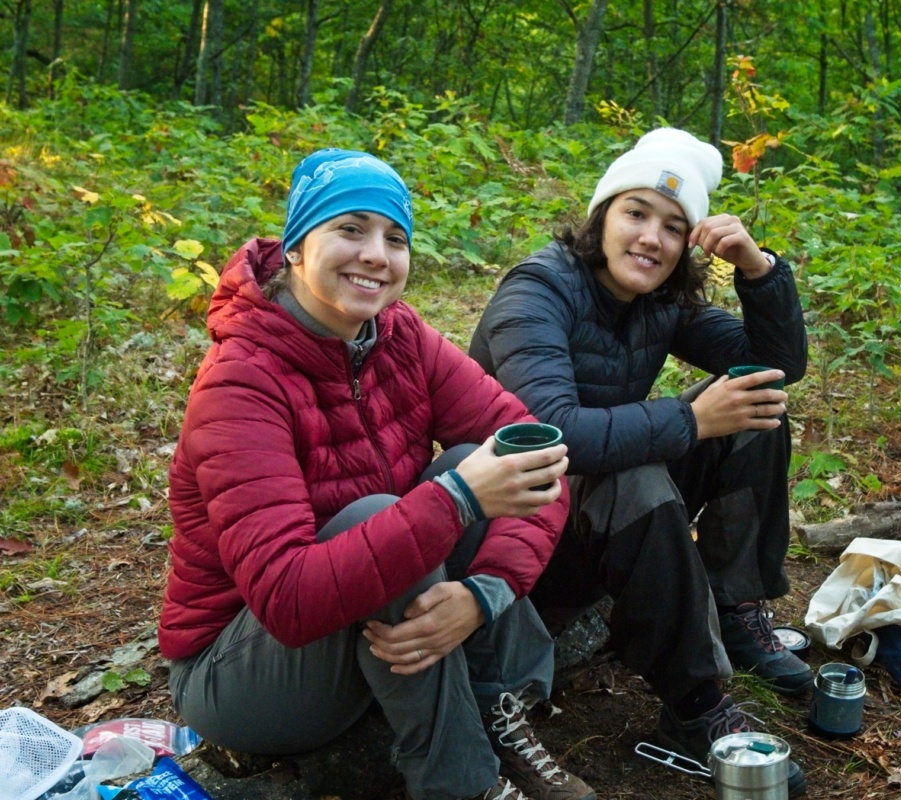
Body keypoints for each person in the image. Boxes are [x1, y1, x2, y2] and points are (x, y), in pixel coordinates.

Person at [159, 148, 596, 800]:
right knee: (412, 505)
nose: (376, 254)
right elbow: (288, 599)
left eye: (395, 238)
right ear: (299, 245)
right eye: (351, 228)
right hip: (240, 669)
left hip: (362, 621)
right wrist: (453, 502)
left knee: (465, 467)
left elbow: (538, 458)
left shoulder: (400, 337)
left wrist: (481, 599)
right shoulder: (240, 382)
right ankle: (462, 785)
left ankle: (498, 714)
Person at [468, 128, 810, 794]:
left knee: (754, 405)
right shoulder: (537, 291)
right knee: (639, 475)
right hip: (519, 544)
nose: (651, 238)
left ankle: (733, 606)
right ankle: (696, 704)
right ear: (603, 216)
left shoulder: (658, 301)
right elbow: (551, 431)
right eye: (636, 213)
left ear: (688, 245)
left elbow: (778, 366)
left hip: (597, 512)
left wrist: (757, 269)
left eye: (674, 227)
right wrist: (689, 419)